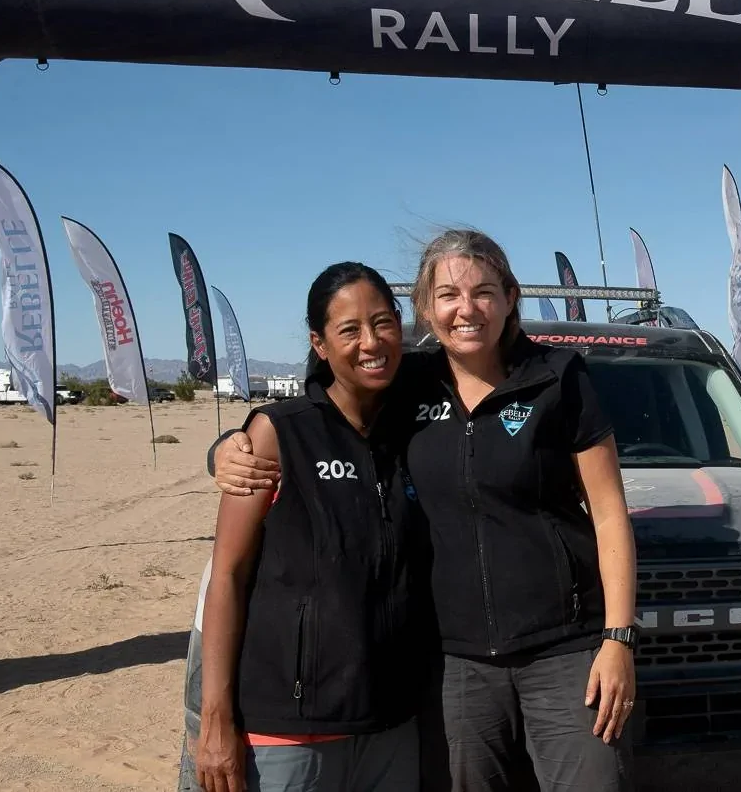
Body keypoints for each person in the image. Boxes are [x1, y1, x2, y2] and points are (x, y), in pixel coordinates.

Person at [210, 229, 638, 792]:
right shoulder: (408, 383)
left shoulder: (559, 377)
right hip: (453, 664)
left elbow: (609, 515)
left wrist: (619, 638)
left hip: (564, 652)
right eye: (448, 295)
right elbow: (320, 414)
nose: (467, 309)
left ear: (511, 297)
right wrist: (226, 447)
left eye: (484, 291)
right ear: (425, 308)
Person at [194, 262, 432, 792]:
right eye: (349, 330)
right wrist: (215, 719)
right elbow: (226, 577)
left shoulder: (416, 430)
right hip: (289, 728)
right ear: (319, 344)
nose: (370, 342)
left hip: (392, 723)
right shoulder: (279, 434)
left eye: (383, 323)